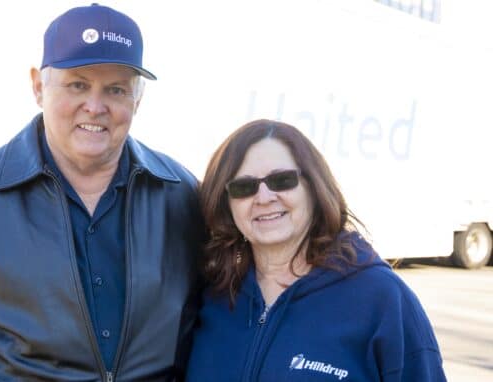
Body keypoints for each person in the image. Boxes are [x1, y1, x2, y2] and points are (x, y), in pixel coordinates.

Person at [0, 4, 203, 381]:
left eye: (116, 90)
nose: (95, 107)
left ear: (137, 99)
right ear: (37, 86)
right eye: (77, 84)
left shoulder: (184, 198)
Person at [185, 119, 446, 381]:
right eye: (243, 187)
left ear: (314, 187)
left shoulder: (382, 299)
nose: (264, 198)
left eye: (282, 180)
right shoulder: (214, 296)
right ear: (225, 202)